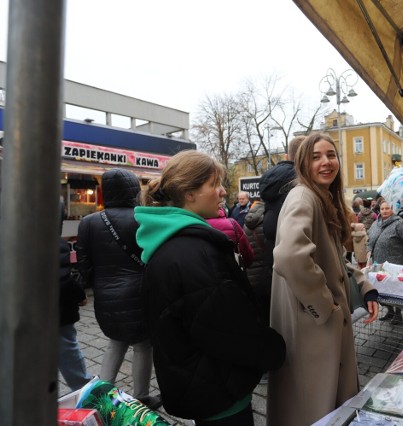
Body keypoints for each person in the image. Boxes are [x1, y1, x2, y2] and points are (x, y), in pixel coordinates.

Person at [134, 150, 285, 425]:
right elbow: (230, 331)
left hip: (199, 382)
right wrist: (275, 350)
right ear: (189, 193)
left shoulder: (170, 244)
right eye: (214, 184)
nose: (222, 192)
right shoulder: (195, 253)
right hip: (220, 391)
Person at [268, 133, 379, 426]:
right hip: (312, 329)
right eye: (316, 156)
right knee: (314, 407)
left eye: (331, 155)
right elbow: (290, 255)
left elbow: (334, 262)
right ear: (303, 163)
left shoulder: (321, 197)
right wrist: (324, 305)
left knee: (325, 406)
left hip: (318, 327)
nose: (326, 162)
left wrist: (365, 287)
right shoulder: (303, 196)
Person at [76, 168, 160, 409]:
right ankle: (141, 396)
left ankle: (101, 396)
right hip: (140, 291)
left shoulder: (88, 222)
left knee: (115, 340)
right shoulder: (143, 216)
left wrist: (98, 284)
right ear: (133, 189)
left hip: (106, 293)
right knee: (143, 344)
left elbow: (84, 263)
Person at [58, 199, 92, 391]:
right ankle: (83, 392)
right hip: (55, 314)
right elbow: (62, 280)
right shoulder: (54, 244)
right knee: (68, 351)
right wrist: (80, 295)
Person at [259, 135, 305, 273]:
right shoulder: (300, 176)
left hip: (272, 246)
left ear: (287, 156)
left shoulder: (269, 176)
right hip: (295, 248)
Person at [367, 200, 403, 325]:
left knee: (395, 288)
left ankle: (398, 314)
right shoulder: (375, 224)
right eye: (382, 209)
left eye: (387, 208)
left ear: (392, 209)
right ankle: (389, 311)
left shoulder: (399, 224)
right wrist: (368, 251)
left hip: (396, 263)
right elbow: (370, 238)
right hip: (379, 262)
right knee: (382, 287)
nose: (384, 211)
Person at [242, 200, 269, 323]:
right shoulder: (268, 220)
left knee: (259, 310)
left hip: (252, 273)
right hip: (267, 271)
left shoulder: (246, 223)